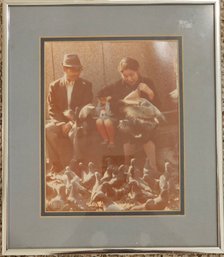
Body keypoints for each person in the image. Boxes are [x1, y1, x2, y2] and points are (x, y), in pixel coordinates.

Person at [97, 57, 160, 172]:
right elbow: (100, 94)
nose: (129, 78)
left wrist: (150, 92)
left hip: (146, 119)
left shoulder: (147, 82)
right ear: (121, 74)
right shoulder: (118, 85)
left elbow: (158, 106)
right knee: (126, 131)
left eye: (132, 74)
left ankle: (153, 168)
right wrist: (115, 102)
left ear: (138, 70)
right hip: (127, 120)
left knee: (144, 132)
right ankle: (130, 168)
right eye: (125, 76)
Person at [46, 54, 93, 174]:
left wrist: (72, 122)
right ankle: (56, 164)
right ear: (64, 69)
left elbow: (86, 107)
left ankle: (77, 164)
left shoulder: (86, 85)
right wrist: (61, 124)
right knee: (47, 129)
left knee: (75, 131)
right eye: (73, 69)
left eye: (78, 69)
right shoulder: (54, 86)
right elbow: (52, 108)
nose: (76, 73)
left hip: (78, 121)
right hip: (60, 122)